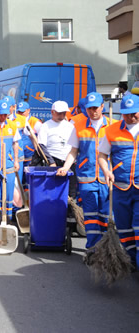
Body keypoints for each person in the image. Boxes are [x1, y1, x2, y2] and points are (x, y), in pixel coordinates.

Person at [57, 93, 113, 249]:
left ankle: (106, 246)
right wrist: (66, 167)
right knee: (90, 215)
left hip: (106, 177)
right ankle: (93, 248)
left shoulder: (112, 126)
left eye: (95, 108)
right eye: (89, 109)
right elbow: (74, 151)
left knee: (105, 215)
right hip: (87, 176)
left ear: (102, 107)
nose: (92, 111)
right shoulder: (79, 127)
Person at [97, 94, 139, 268]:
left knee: (138, 225)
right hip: (120, 187)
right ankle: (130, 260)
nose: (131, 117)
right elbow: (102, 155)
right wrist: (106, 170)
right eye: (127, 114)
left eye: (134, 113)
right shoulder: (112, 130)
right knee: (124, 228)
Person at [16, 101, 42, 166]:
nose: (20, 114)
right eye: (19, 112)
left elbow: (41, 138)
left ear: (28, 111)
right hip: (18, 156)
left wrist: (39, 152)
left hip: (30, 155)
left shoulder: (35, 122)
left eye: (23, 112)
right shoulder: (14, 121)